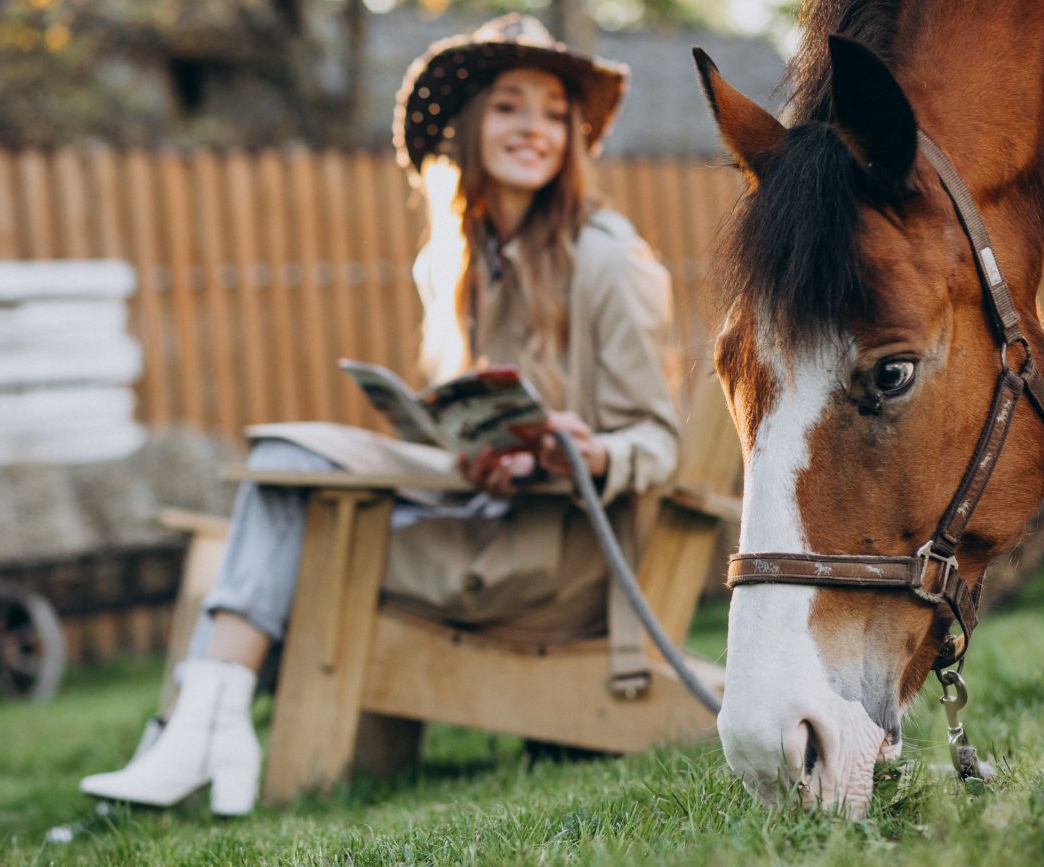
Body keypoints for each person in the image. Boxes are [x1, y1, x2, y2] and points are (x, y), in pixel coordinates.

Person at [79, 14, 679, 817]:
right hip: (482, 515)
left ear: (575, 135)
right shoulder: (460, 264)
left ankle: (191, 739)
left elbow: (658, 442)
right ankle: (198, 738)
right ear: (469, 126)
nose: (533, 128)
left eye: (553, 111)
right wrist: (476, 450)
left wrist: (594, 450)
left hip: (557, 557)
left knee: (286, 490)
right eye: (509, 107)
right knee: (286, 482)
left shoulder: (607, 257)